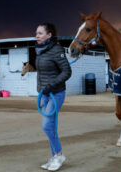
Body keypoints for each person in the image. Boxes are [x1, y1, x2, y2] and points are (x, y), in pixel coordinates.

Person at [36, 23, 72, 171]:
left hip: (56, 93)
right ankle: (54, 157)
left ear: (49, 35)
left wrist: (52, 84)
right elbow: (41, 73)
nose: (36, 36)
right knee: (50, 127)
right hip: (44, 94)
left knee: (46, 125)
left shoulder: (57, 50)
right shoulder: (40, 51)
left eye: (40, 33)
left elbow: (67, 72)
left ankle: (59, 155)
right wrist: (40, 90)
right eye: (36, 33)